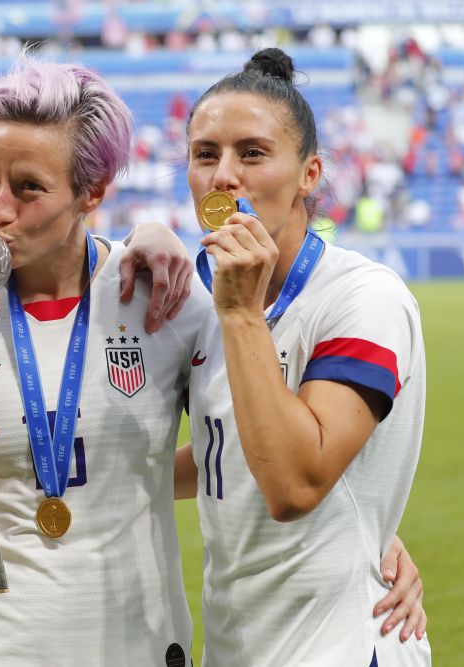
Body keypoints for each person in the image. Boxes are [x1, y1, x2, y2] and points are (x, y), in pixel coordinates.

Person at [0, 57, 426, 666]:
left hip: (225, 647)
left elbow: (294, 475)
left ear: (92, 192)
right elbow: (223, 450)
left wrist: (369, 529)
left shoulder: (184, 299)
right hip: (6, 649)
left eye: (30, 187)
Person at [176, 48, 431, 665]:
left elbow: (293, 484)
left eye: (253, 153)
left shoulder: (364, 298)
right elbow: (223, 451)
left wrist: (240, 315)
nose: (223, 175)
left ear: (309, 174)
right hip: (239, 645)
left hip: (340, 646)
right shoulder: (198, 299)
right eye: (205, 154)